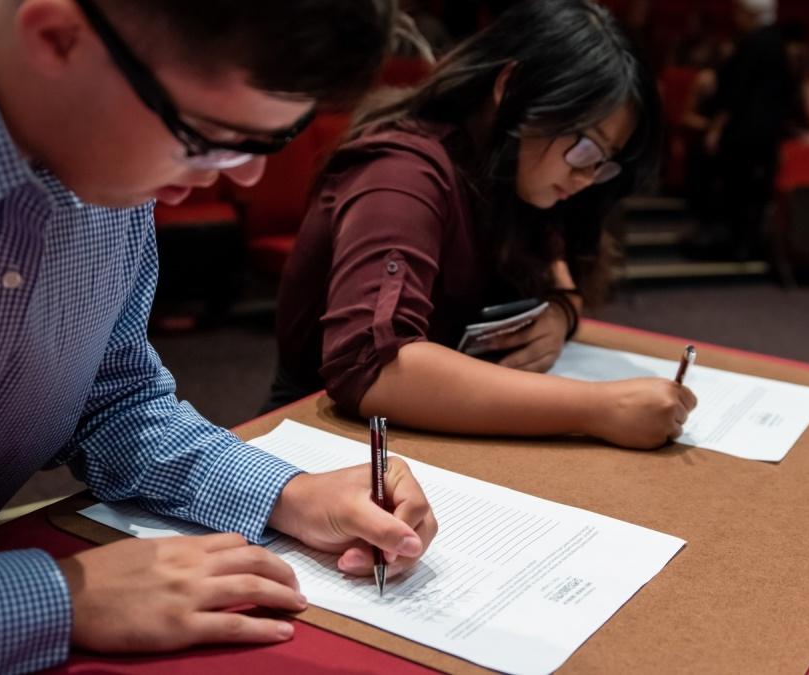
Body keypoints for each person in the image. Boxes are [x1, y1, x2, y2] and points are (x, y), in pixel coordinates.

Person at [0, 0, 438, 671]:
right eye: (210, 138)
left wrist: (285, 494)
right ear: (56, 37)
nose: (242, 176)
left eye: (270, 142)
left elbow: (111, 397)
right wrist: (55, 599)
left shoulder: (105, 134)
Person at [268, 0, 697, 450]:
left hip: (436, 435)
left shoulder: (515, 174)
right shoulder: (400, 172)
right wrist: (599, 407)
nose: (588, 177)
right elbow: (372, 365)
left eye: (605, 164)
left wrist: (560, 311)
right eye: (586, 148)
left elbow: (560, 275)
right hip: (323, 438)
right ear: (511, 86)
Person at [701, 0, 793, 260]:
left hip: (745, 132)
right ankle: (749, 244)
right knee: (757, 191)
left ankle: (736, 243)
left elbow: (735, 92)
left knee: (738, 189)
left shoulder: (752, 44)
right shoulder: (778, 44)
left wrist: (717, 128)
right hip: (768, 131)